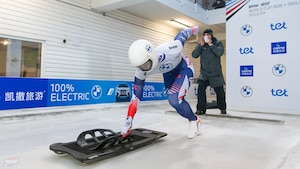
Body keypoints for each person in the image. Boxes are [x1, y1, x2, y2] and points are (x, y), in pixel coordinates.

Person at [121, 26, 202, 139]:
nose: (143, 69)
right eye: (139, 66)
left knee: (175, 99)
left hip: (184, 68)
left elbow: (183, 34)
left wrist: (193, 30)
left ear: (151, 56)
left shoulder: (171, 49)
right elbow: (136, 96)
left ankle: (193, 121)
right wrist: (129, 119)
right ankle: (194, 119)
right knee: (174, 103)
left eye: (144, 64)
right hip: (168, 74)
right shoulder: (140, 71)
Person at [191, 28, 226, 115]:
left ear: (211, 35)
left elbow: (220, 52)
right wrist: (200, 45)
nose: (206, 37)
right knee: (200, 90)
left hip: (216, 74)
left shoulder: (217, 43)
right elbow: (194, 55)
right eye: (205, 35)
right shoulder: (201, 45)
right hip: (204, 74)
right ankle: (201, 109)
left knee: (220, 93)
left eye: (208, 35)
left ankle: (222, 108)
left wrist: (211, 45)